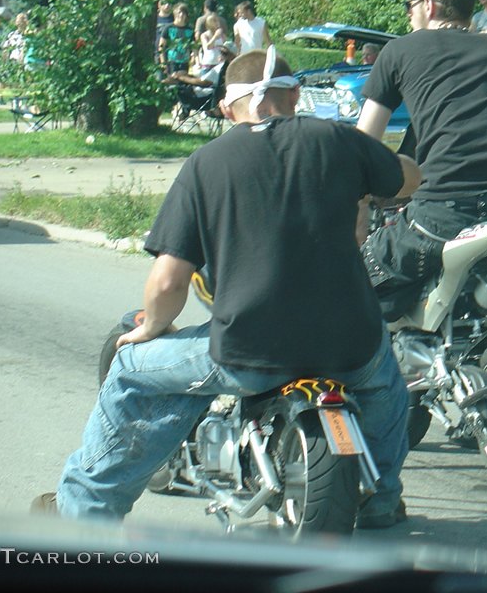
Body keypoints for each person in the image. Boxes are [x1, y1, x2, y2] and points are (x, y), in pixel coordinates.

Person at [37, 47, 422, 528]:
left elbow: (170, 280)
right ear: (295, 95)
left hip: (249, 352)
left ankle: (83, 512)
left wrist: (150, 329)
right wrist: (373, 178)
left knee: (131, 368)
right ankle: (382, 497)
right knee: (387, 382)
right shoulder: (340, 140)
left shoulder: (206, 163)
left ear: (225, 108)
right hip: (351, 345)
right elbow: (407, 177)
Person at [356, 0, 487, 321]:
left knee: (355, 285)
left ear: (428, 6)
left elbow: (362, 143)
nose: (409, 16)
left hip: (438, 215)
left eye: (409, 6)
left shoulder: (398, 51)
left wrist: (367, 192)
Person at [158, 2, 195, 77]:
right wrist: (163, 63)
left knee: (184, 83)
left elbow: (194, 47)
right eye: (179, 12)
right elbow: (161, 46)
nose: (181, 15)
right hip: (171, 61)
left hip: (185, 61)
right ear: (175, 13)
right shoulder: (168, 28)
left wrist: (193, 59)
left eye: (183, 13)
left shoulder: (190, 30)